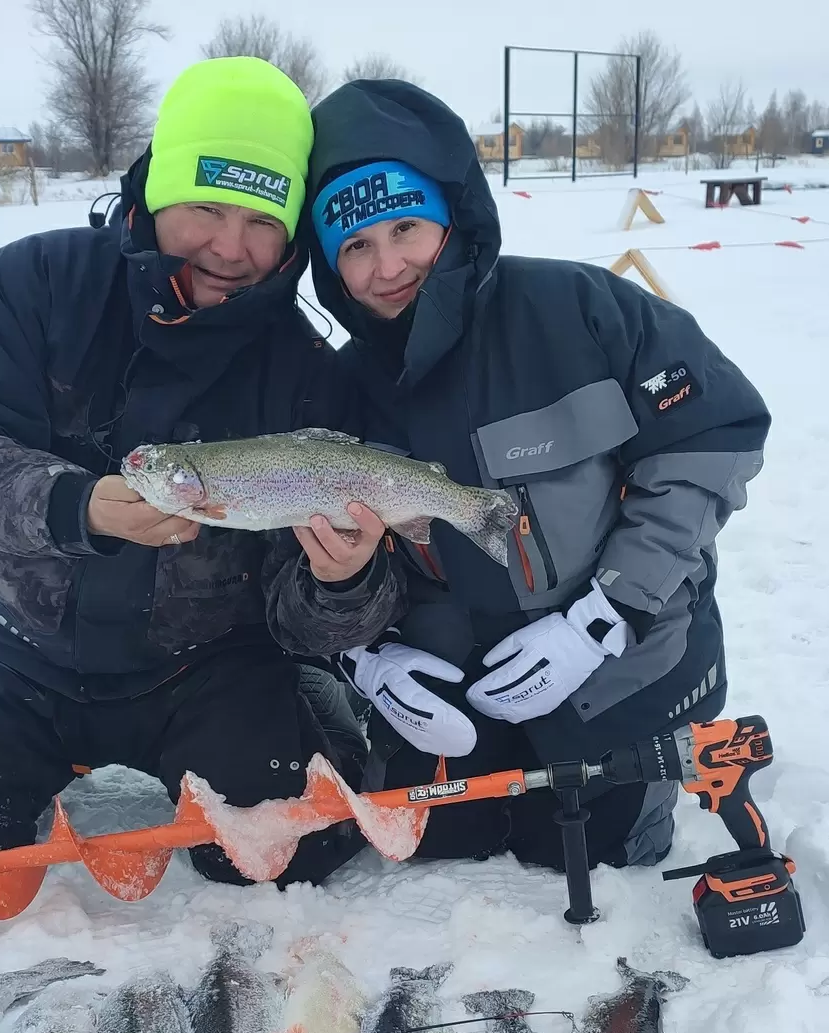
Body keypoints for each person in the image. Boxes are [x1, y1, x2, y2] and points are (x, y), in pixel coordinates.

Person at [0, 57, 368, 888]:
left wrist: (341, 584)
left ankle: (308, 709)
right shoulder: (34, 283)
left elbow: (309, 610)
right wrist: (75, 507)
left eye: (262, 220)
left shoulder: (307, 368)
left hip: (211, 662)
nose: (231, 247)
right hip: (21, 648)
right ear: (155, 190)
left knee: (291, 854)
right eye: (205, 207)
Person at [264, 78, 770, 871]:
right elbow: (302, 570)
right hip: (454, 689)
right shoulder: (335, 391)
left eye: (406, 227)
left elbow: (714, 438)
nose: (386, 266)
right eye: (355, 245)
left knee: (584, 855)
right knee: (439, 848)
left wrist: (604, 618)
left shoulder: (580, 309)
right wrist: (365, 656)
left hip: (617, 662)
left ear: (452, 218)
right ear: (328, 263)